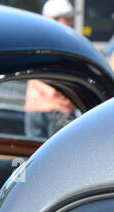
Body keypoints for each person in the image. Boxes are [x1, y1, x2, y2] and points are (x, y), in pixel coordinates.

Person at [24, 0, 79, 139]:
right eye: (69, 19)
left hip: (34, 106)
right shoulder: (67, 41)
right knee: (61, 157)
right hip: (59, 107)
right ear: (60, 19)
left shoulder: (33, 39)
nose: (71, 23)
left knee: (34, 156)